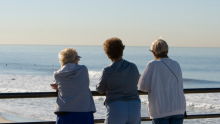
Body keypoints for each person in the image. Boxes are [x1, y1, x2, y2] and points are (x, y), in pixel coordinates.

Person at [138, 39, 186, 124]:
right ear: (167, 51)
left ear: (153, 53)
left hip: (161, 110)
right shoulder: (176, 64)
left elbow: (142, 86)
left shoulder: (152, 65)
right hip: (178, 109)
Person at [96, 37, 141, 124]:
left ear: (108, 54)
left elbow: (100, 90)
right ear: (122, 51)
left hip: (116, 107)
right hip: (134, 106)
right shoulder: (133, 67)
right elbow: (136, 82)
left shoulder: (107, 71)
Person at [50, 47, 96, 124]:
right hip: (84, 109)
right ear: (75, 59)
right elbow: (85, 85)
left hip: (64, 110)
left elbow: (64, 87)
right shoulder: (83, 69)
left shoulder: (57, 74)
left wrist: (58, 88)